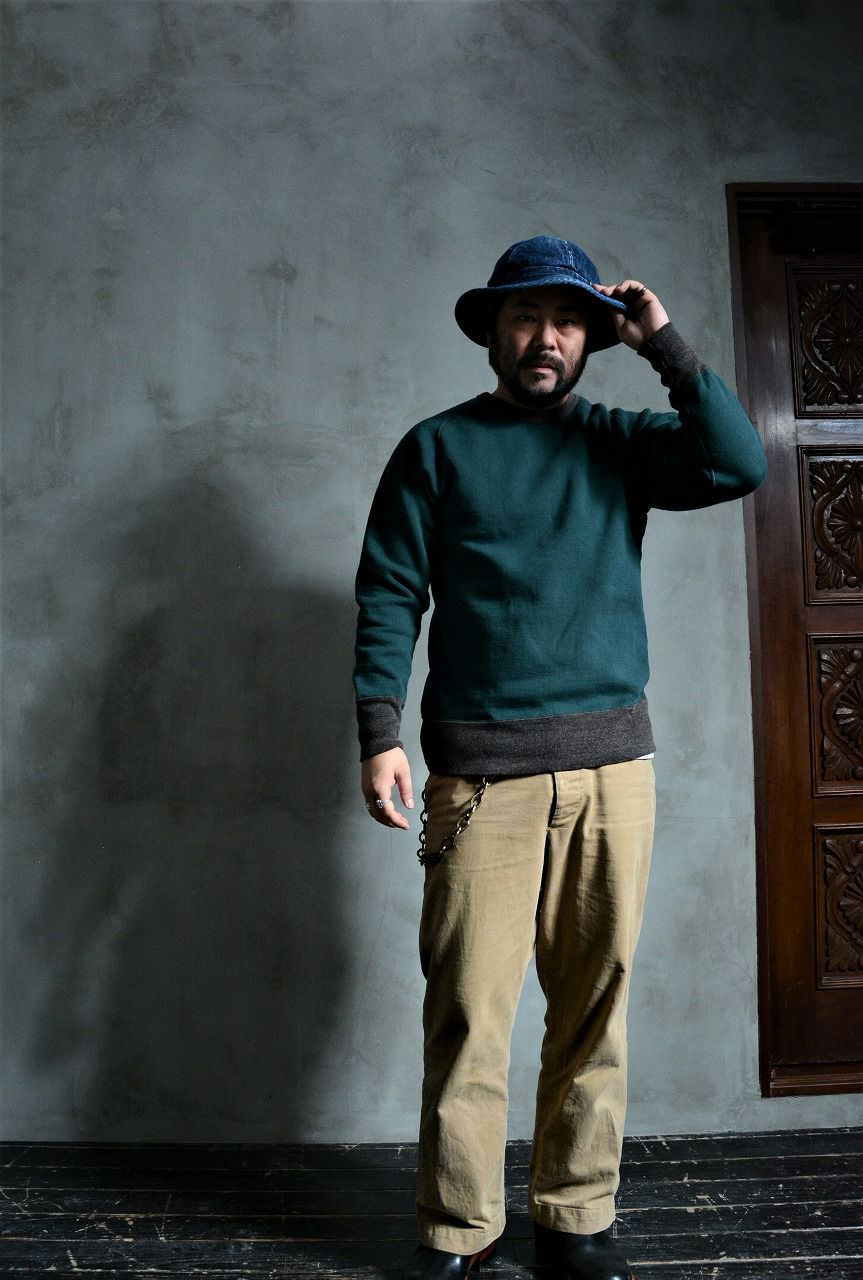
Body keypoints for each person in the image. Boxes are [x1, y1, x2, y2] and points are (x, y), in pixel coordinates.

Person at [352, 236, 767, 1280]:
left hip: (610, 771)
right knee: (467, 1010)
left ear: (593, 337)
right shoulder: (436, 448)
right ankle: (460, 1225)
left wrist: (663, 343)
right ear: (493, 330)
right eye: (527, 317)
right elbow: (390, 589)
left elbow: (738, 461)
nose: (547, 338)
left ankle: (575, 1218)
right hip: (477, 777)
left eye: (569, 321)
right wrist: (379, 734)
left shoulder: (619, 443)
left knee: (593, 1008)